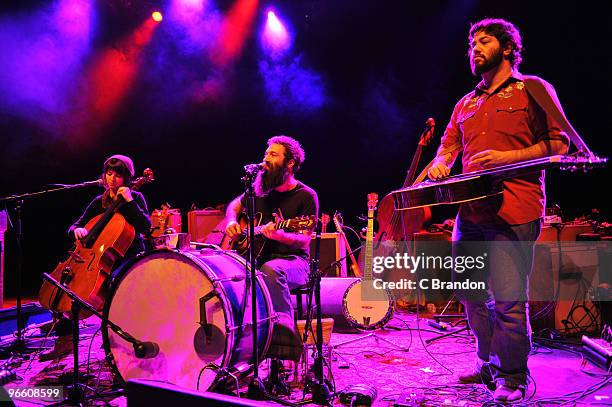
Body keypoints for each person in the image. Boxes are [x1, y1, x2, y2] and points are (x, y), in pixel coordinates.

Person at [427, 18, 569, 402]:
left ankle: (513, 378)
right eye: (471, 43)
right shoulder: (466, 102)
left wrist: (506, 158)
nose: (474, 48)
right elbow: (447, 147)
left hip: (515, 209)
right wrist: (441, 163)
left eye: (483, 41)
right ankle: (485, 361)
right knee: (470, 291)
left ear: (507, 48)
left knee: (508, 298)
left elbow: (559, 145)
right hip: (470, 212)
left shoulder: (532, 90)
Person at [40, 154, 151, 361]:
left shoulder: (135, 198)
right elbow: (75, 225)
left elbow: (145, 226)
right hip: (96, 258)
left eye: (118, 175)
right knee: (63, 280)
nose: (112, 179)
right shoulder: (99, 202)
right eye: (109, 174)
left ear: (127, 178)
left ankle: (114, 343)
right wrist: (77, 230)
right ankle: (64, 339)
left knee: (114, 284)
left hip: (128, 256)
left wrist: (129, 202)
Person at [225, 136, 318, 360]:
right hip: (257, 257)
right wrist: (231, 222)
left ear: (290, 163)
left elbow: (304, 241)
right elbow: (233, 206)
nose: (266, 159)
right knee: (228, 274)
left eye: (273, 155)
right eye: (266, 153)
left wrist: (280, 235)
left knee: (271, 269)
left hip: (294, 262)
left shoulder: (306, 195)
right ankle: (236, 344)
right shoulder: (259, 190)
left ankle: (284, 340)